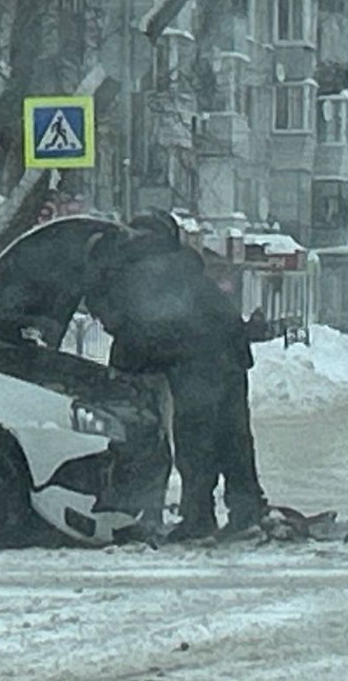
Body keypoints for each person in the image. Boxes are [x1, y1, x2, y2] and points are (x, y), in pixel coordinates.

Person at [84, 213, 267, 539]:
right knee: (233, 434)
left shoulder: (135, 273)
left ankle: (199, 517)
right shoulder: (177, 262)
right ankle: (246, 509)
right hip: (229, 354)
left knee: (196, 440)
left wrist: (125, 375)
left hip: (199, 362)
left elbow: (134, 332)